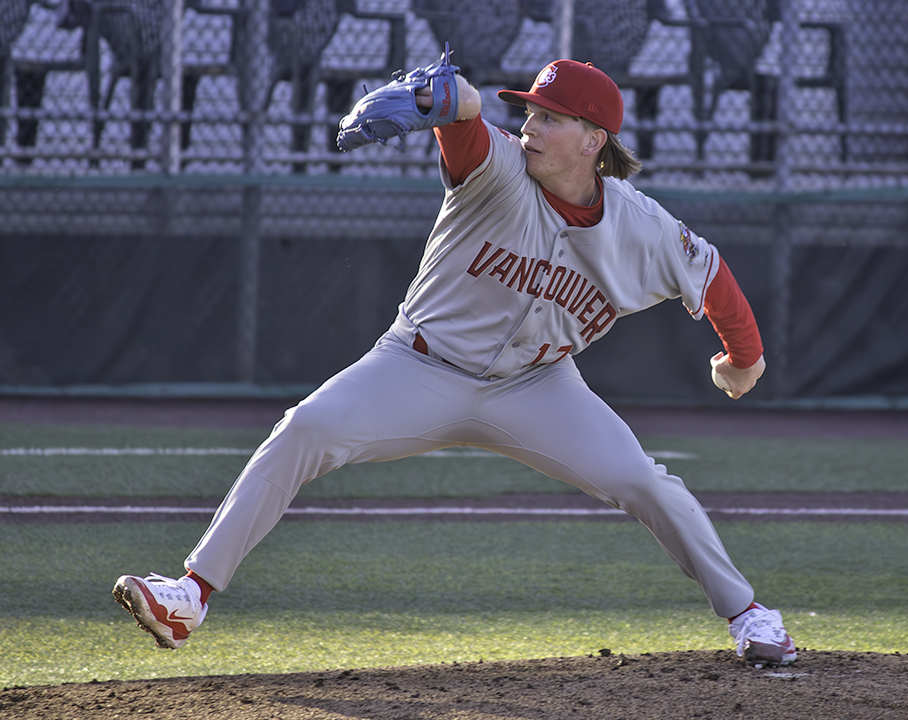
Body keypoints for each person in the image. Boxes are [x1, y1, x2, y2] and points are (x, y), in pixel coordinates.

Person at [113, 57, 796, 667]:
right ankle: (190, 595)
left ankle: (748, 614)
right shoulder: (497, 169)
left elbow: (714, 278)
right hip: (418, 367)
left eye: (550, 117)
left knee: (644, 482)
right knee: (304, 430)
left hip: (538, 386)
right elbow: (464, 114)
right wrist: (450, 95)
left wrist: (744, 359)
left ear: (594, 140)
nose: (529, 125)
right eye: (528, 110)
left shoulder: (641, 226)